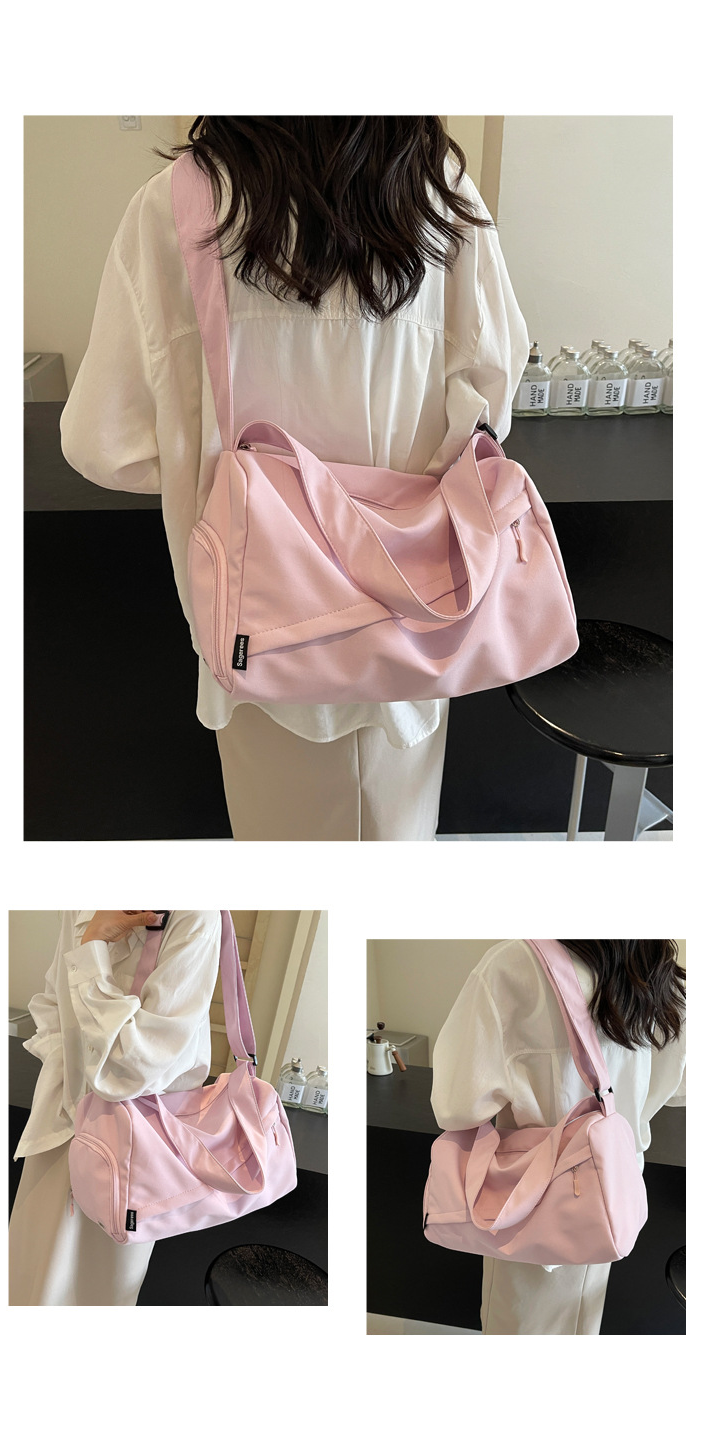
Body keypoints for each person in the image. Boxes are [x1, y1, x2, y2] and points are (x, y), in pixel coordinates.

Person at [60, 116, 529, 841]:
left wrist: (210, 468)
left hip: (257, 634)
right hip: (412, 619)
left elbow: (103, 443)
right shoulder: (437, 193)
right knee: (397, 837)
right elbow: (492, 396)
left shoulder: (178, 204)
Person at [431, 939, 686, 1335]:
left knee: (521, 1328)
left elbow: (456, 1105)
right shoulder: (655, 962)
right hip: (615, 1196)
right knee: (582, 1324)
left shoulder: (516, 964)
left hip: (531, 1200)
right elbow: (680, 1088)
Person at [9, 910, 222, 1306]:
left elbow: (137, 1063)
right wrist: (69, 1071)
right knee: (28, 1276)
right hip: (61, 1120)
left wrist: (93, 946)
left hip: (133, 1145)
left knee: (96, 1286)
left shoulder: (194, 913)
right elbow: (54, 1002)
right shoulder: (81, 902)